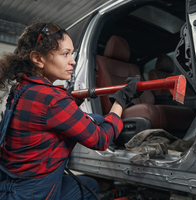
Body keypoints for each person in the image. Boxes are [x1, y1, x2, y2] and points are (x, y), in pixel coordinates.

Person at [0, 22, 141, 200]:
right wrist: (122, 99)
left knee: (89, 185)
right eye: (65, 54)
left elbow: (43, 116)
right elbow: (100, 139)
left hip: (9, 184)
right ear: (38, 59)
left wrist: (70, 101)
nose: (72, 60)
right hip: (34, 192)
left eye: (72, 53)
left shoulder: (22, 89)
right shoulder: (52, 99)